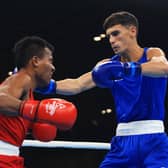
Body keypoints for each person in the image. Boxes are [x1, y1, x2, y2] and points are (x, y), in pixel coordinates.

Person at [36, 11, 168, 167]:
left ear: (133, 31)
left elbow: (163, 68)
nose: (112, 40)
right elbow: (78, 84)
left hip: (154, 140)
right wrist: (45, 86)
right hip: (122, 142)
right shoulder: (108, 66)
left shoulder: (152, 53)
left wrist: (127, 69)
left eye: (116, 34)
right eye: (109, 36)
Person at [0, 36, 77, 167]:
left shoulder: (27, 90)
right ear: (35, 61)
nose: (53, 68)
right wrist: (36, 110)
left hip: (10, 157)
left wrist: (34, 126)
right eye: (50, 60)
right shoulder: (22, 78)